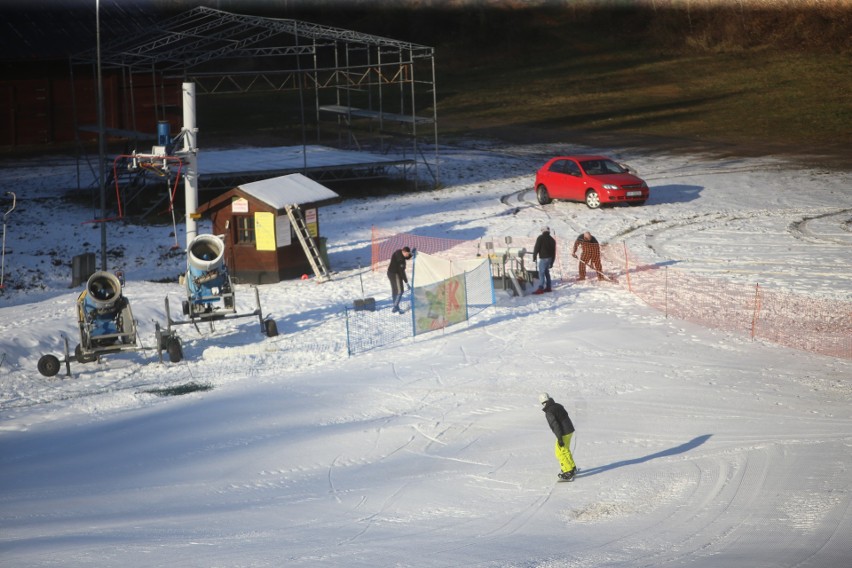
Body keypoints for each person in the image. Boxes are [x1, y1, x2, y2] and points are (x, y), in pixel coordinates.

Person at [539, 393, 577, 481]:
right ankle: (572, 467)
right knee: (565, 449)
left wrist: (559, 438)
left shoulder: (549, 411)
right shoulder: (558, 405)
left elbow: (555, 425)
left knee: (559, 452)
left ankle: (568, 471)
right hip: (569, 430)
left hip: (563, 433)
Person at [387, 246, 412, 313]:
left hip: (390, 273)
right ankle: (395, 307)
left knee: (395, 290)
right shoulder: (401, 260)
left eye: (408, 253)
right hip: (395, 274)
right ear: (403, 252)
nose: (408, 255)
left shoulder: (399, 251)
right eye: (407, 253)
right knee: (400, 291)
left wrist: (411, 254)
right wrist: (406, 282)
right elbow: (402, 272)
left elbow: (406, 257)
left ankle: (396, 307)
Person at [531, 226, 556, 294]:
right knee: (546, 272)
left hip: (543, 258)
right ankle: (548, 287)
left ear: (543, 231)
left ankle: (540, 288)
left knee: (541, 273)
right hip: (550, 258)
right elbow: (554, 252)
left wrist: (534, 256)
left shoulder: (540, 238)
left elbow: (537, 247)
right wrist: (552, 262)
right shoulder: (552, 240)